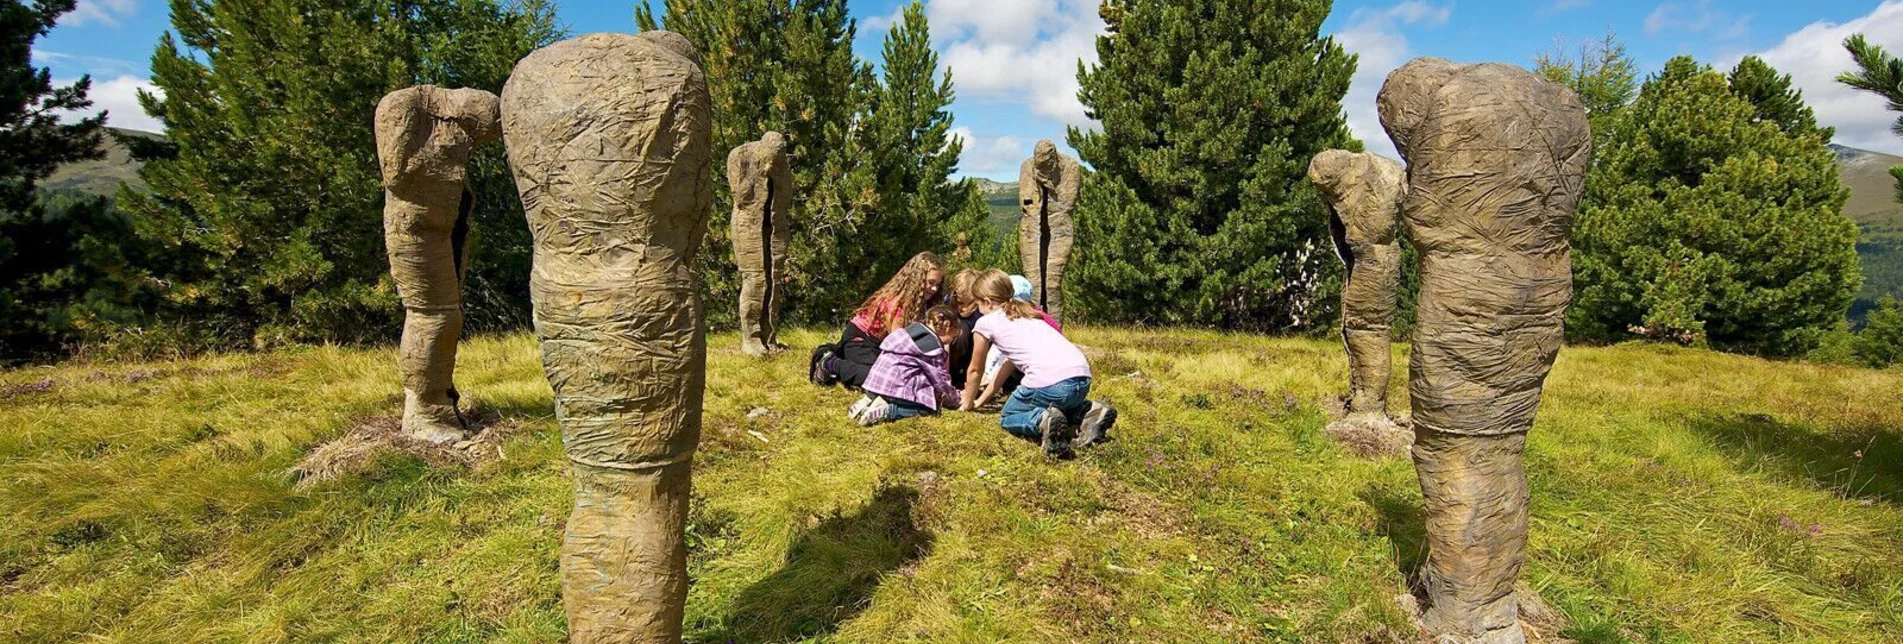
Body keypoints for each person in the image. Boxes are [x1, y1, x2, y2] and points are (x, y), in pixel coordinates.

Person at [960, 270, 1116, 458]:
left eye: (977, 304)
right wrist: (981, 401)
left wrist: (967, 404)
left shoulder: (986, 322)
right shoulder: (1029, 314)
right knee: (1058, 402)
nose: (978, 310)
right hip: (1081, 379)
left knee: (1009, 416)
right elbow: (1006, 366)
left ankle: (1042, 420)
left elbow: (976, 370)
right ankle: (1088, 411)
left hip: (1049, 382)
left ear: (986, 301)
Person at [811, 252, 945, 389]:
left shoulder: (926, 304)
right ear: (917, 279)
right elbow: (899, 347)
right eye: (930, 282)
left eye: (938, 284)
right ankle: (830, 364)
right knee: (881, 378)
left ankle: (843, 360)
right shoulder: (896, 304)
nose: (934, 289)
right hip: (861, 340)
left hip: (879, 345)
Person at [848, 306, 965, 426]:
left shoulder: (908, 332)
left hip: (875, 383)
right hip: (894, 388)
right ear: (947, 326)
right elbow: (940, 381)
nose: (950, 342)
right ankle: (887, 411)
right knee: (928, 408)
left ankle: (868, 401)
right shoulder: (931, 348)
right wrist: (956, 398)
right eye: (952, 337)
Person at [945, 269, 983, 390]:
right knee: (960, 333)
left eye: (970, 304)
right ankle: (954, 377)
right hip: (955, 352)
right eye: (960, 303)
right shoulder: (947, 304)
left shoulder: (983, 312)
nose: (963, 309)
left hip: (976, 351)